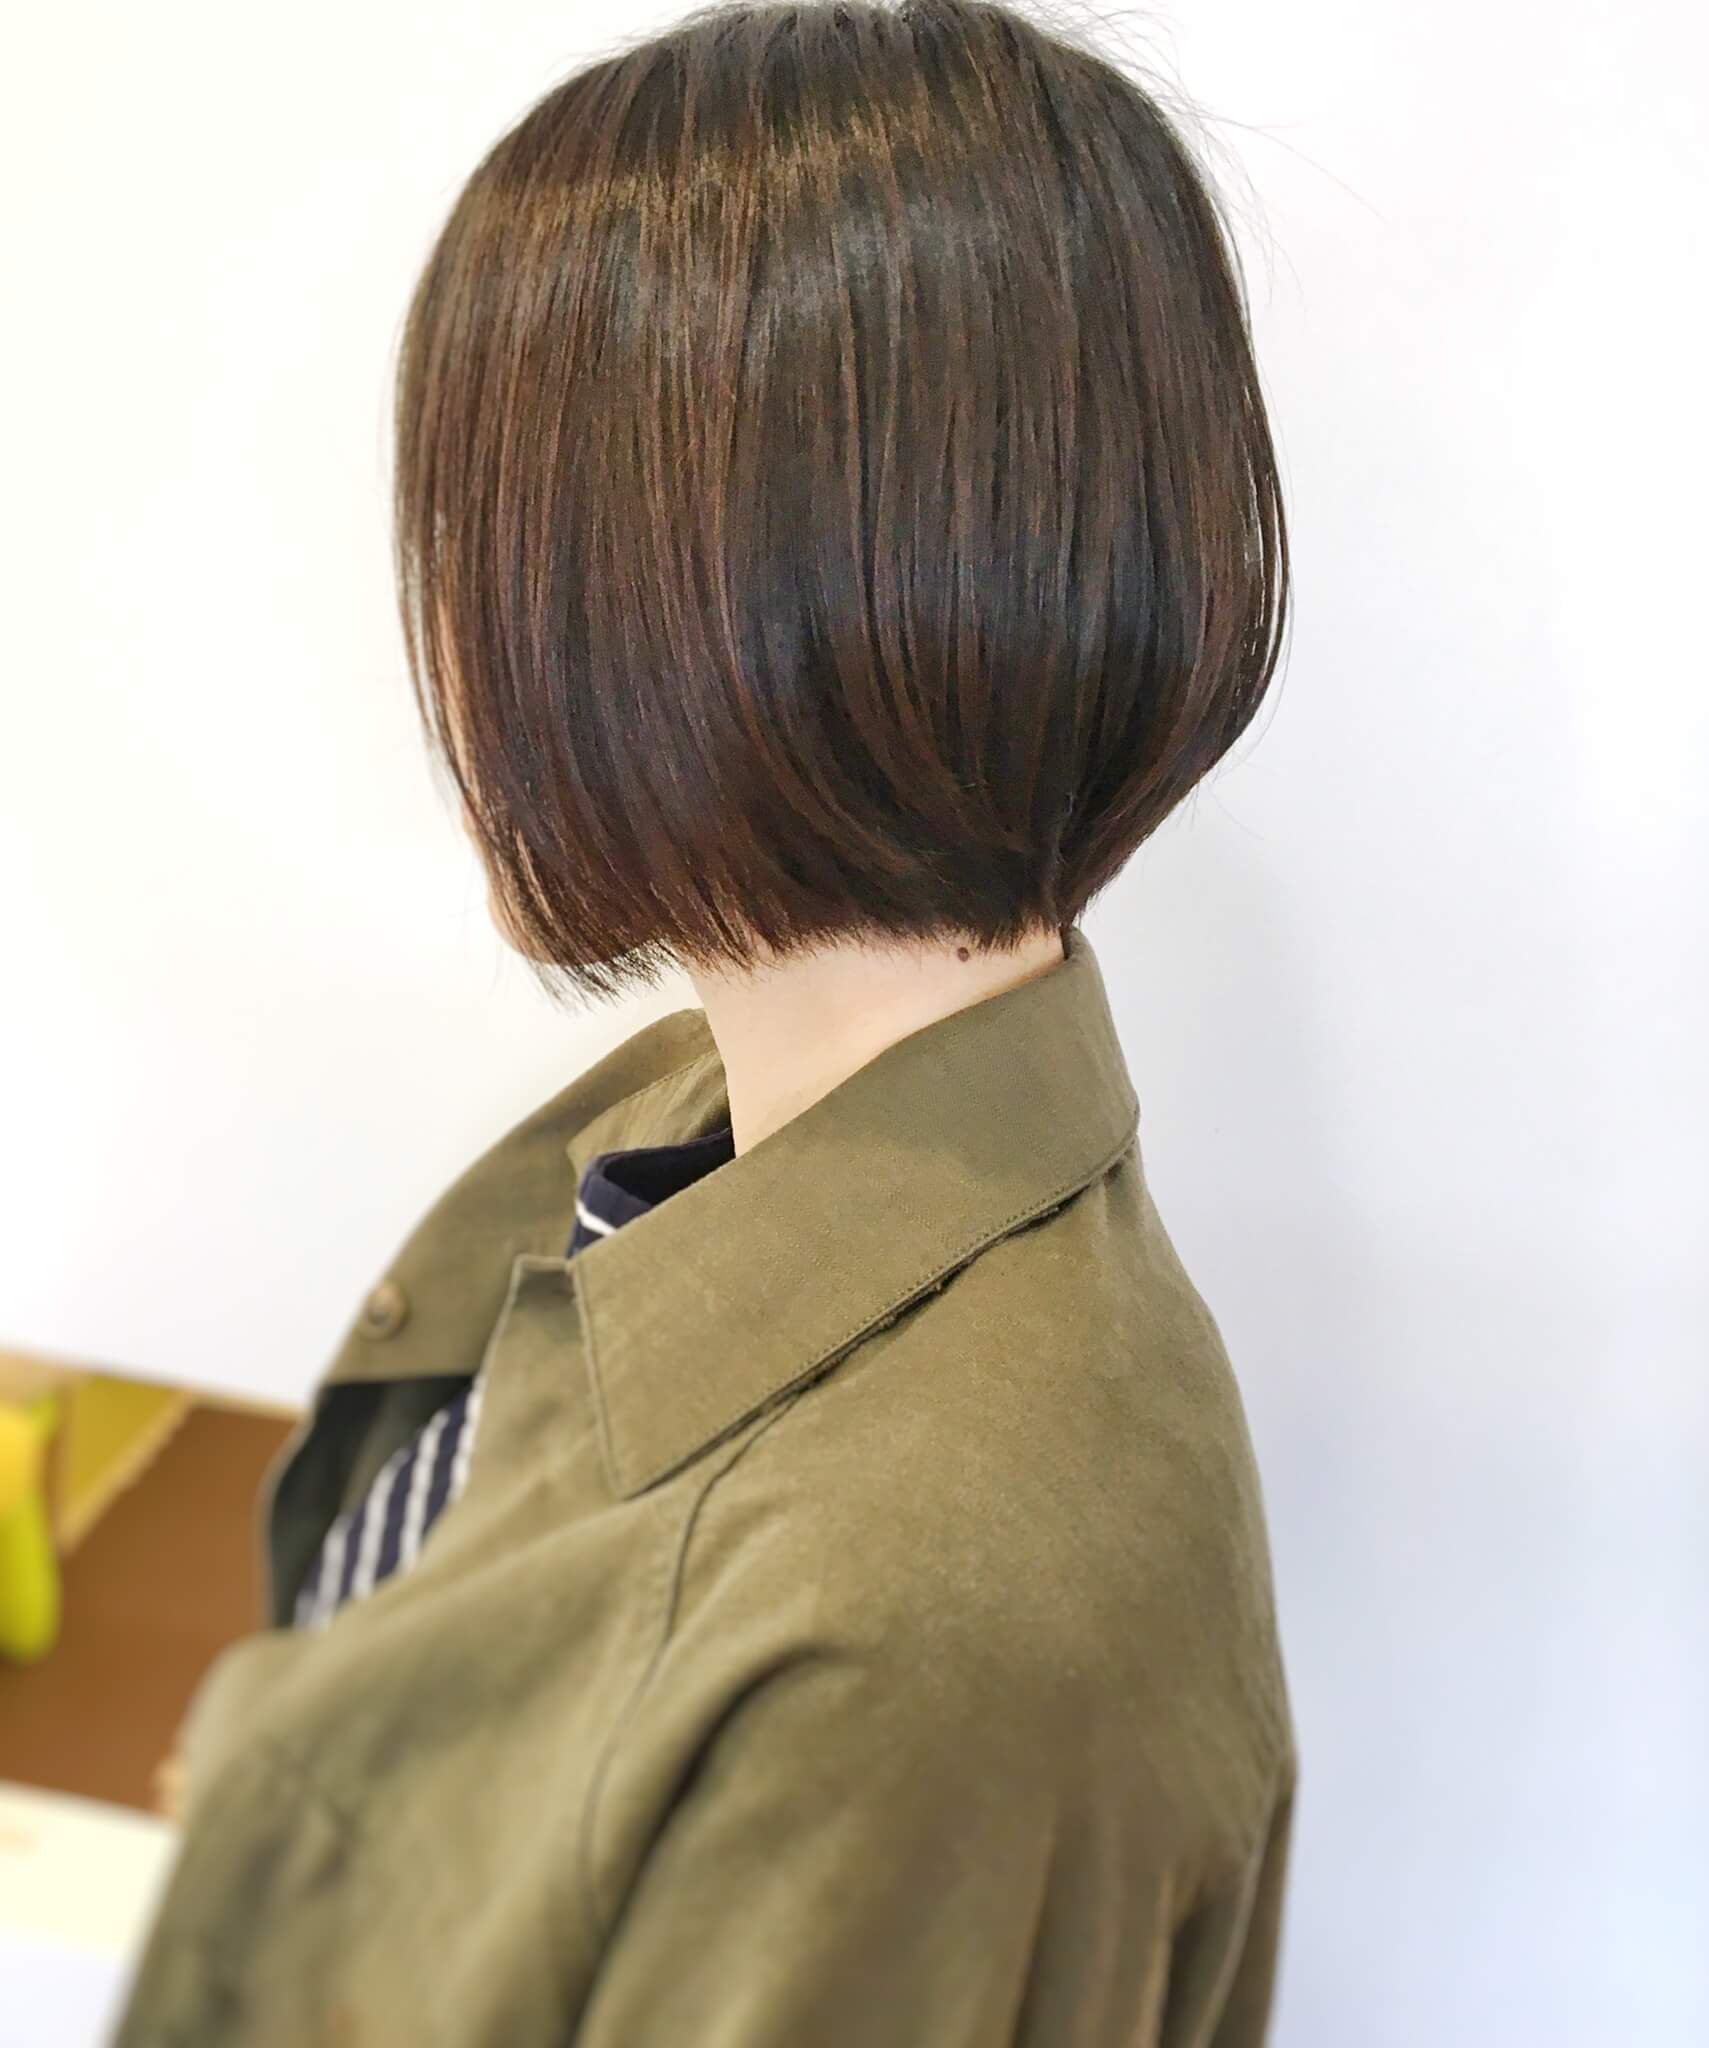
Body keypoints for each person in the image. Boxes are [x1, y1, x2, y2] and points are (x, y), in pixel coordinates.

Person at [112, 1, 1295, 2040]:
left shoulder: (911, 1633)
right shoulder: (702, 1129)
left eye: (494, 538)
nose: (452, 636)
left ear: (702, 599)